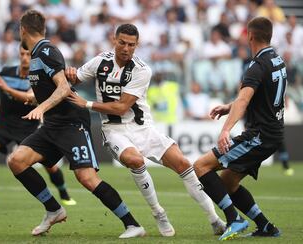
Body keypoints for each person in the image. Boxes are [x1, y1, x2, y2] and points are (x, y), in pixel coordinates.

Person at [65, 23, 226, 237]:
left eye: (131, 45)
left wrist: (86, 104)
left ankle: (215, 220)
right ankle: (158, 212)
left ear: (136, 45)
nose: (126, 48)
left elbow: (122, 107)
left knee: (183, 164)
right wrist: (69, 72)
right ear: (115, 40)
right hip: (114, 130)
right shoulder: (100, 61)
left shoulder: (141, 70)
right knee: (135, 160)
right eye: (122, 42)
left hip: (144, 129)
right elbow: (76, 77)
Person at [7, 10, 144, 238]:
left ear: (22, 29)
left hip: (71, 122)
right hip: (52, 125)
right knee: (17, 161)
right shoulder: (36, 54)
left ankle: (132, 224)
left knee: (87, 178)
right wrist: (33, 98)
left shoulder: (46, 51)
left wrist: (40, 108)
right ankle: (53, 209)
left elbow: (63, 88)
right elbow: (48, 88)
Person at [193, 17, 283, 240]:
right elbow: (257, 97)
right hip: (273, 132)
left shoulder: (256, 66)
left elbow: (244, 100)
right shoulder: (276, 59)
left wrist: (225, 130)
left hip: (259, 135)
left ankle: (234, 220)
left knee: (201, 166)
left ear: (250, 36)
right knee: (227, 182)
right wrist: (229, 106)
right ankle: (265, 226)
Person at [0, 45, 76, 206]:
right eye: (22, 54)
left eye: (29, 54)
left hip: (29, 127)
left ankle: (64, 193)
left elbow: (27, 98)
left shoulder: (37, 77)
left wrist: (6, 88)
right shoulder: (6, 73)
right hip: (4, 125)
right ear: (19, 55)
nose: (25, 57)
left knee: (50, 166)